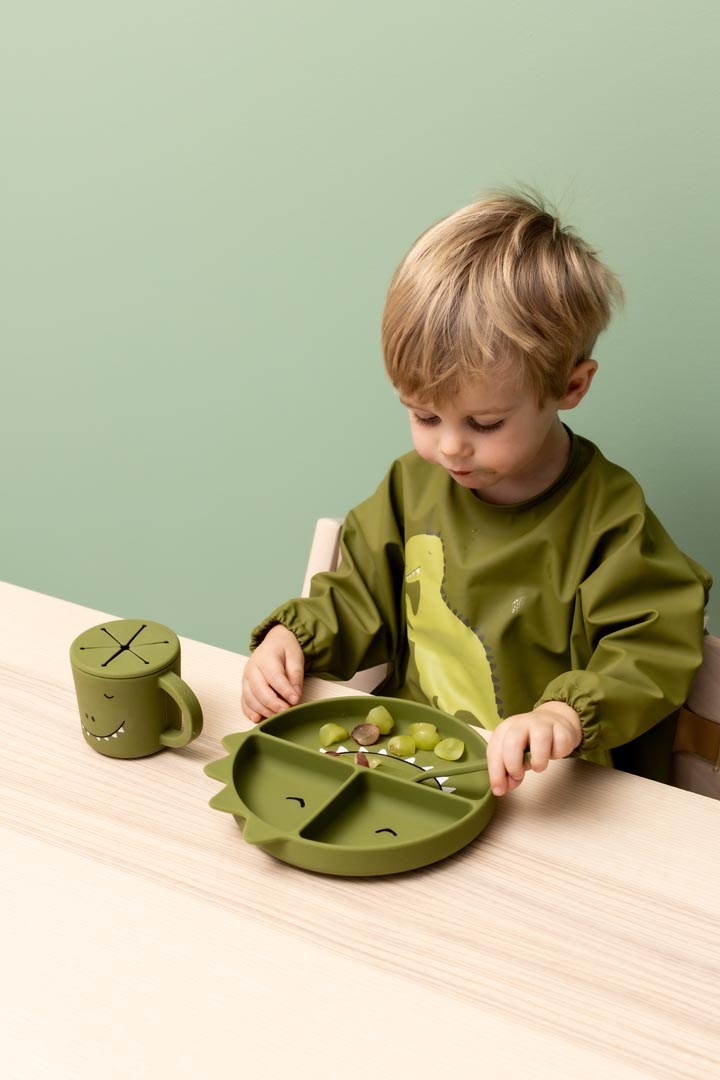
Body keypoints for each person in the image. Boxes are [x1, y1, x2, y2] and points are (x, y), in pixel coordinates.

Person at [241, 189, 711, 796]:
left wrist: (565, 714)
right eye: (424, 416)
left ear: (571, 387)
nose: (450, 448)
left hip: (548, 792)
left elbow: (651, 643)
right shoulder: (411, 487)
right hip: (413, 772)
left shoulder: (608, 517)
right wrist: (293, 638)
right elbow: (357, 598)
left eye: (484, 424)